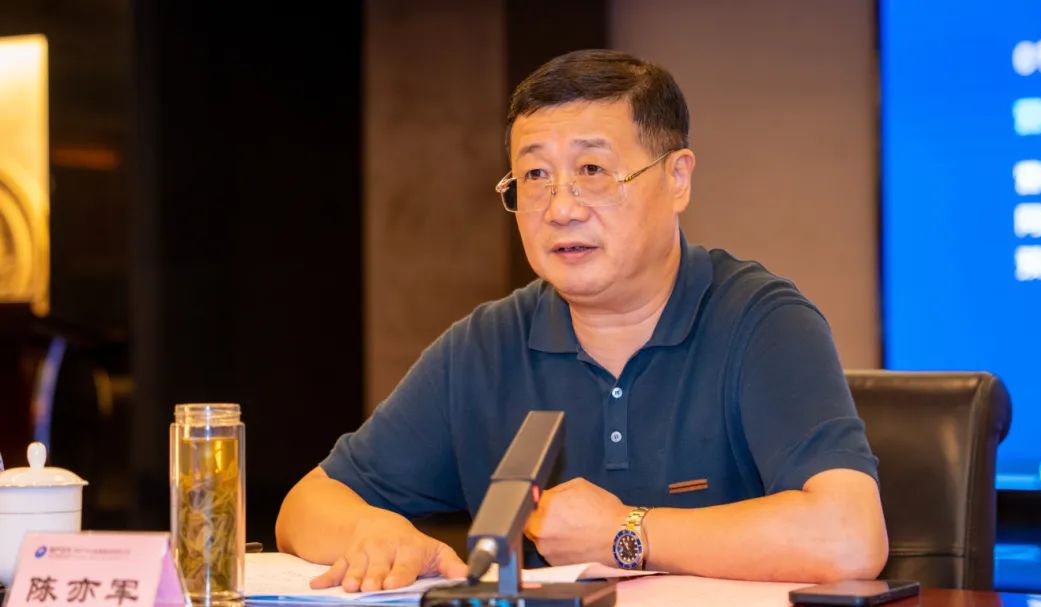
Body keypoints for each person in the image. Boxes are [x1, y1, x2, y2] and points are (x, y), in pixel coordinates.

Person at [275, 49, 888, 592]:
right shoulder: (485, 347)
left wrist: (626, 532)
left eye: (592, 171)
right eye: (535, 176)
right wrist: (375, 533)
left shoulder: (762, 321)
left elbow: (849, 538)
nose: (561, 208)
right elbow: (306, 505)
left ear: (677, 179)